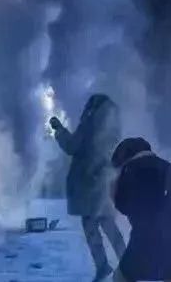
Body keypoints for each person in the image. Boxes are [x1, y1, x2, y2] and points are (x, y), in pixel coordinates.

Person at [50, 94, 126, 281]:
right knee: (109, 226)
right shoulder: (113, 126)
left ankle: (103, 266)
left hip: (89, 182)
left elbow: (72, 146)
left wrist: (58, 129)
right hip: (104, 181)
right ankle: (126, 264)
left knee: (91, 226)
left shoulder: (90, 124)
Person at [111, 137, 171, 282]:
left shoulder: (130, 169)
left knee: (121, 277)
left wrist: (114, 188)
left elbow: (122, 205)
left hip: (148, 240)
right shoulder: (169, 167)